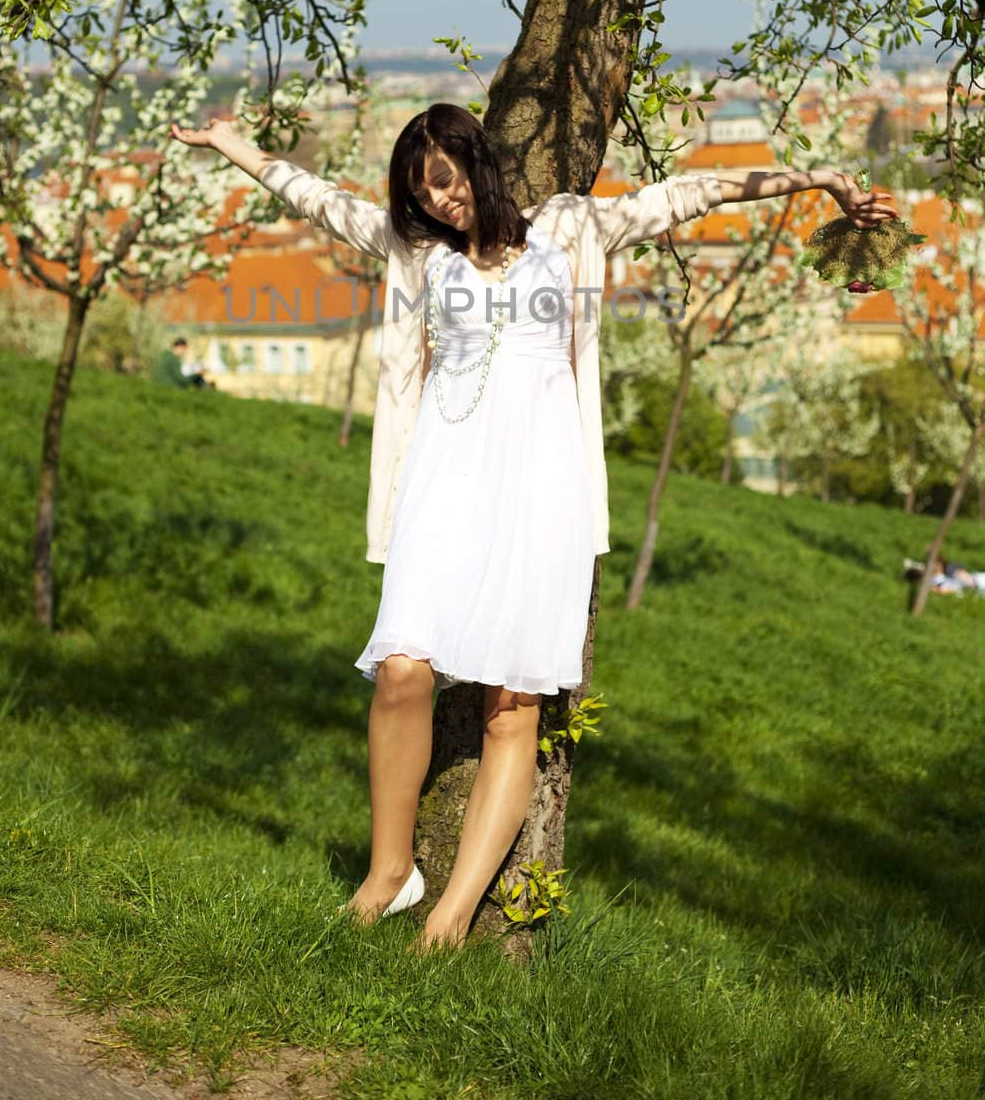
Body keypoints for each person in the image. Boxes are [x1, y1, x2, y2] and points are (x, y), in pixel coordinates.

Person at [169, 103, 898, 949]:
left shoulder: (572, 231)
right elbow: (318, 198)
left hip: (542, 491)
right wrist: (231, 145)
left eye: (442, 180)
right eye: (420, 191)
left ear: (474, 161)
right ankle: (388, 871)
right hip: (442, 482)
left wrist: (818, 180)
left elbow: (697, 192)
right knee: (402, 671)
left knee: (511, 705)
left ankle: (448, 919)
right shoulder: (416, 253)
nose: (437, 202)